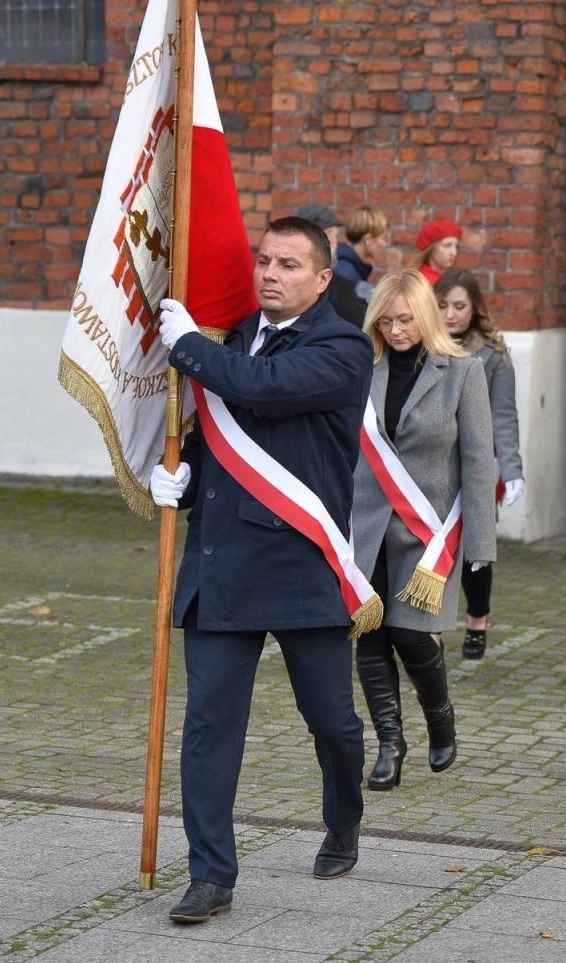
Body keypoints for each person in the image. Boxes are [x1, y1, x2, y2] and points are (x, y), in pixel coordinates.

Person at [153, 216, 376, 924]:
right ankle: (210, 874)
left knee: (332, 721)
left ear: (323, 277)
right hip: (222, 563)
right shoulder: (230, 340)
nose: (270, 274)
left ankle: (343, 817)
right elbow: (217, 438)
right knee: (209, 727)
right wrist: (181, 478)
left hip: (300, 564)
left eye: (288, 264)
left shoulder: (342, 346)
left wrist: (187, 344)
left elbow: (265, 390)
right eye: (264, 260)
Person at [351, 268, 496, 790]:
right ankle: (389, 744)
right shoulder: (361, 370)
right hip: (366, 526)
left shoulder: (463, 372)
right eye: (386, 321)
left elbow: (478, 462)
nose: (395, 331)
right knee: (370, 635)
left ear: (427, 317)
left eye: (406, 320)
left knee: (411, 634)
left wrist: (481, 544)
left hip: (428, 531)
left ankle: (439, 716)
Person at [435, 266, 523, 658]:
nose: (450, 314)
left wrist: (513, 469)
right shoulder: (420, 345)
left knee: (475, 550)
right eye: (442, 306)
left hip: (475, 465)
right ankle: (432, 629)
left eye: (459, 306)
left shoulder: (492, 354)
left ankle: (477, 620)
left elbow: (504, 417)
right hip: (432, 464)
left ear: (474, 308)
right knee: (432, 548)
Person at [298, 203, 368, 328]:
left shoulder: (280, 282)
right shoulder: (342, 289)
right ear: (327, 236)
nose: (337, 244)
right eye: (335, 236)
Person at [336, 205, 389, 301]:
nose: (385, 244)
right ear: (368, 239)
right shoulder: (346, 273)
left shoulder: (352, 268)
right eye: (383, 238)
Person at [411, 219, 462, 286]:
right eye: (447, 245)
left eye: (456, 246)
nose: (454, 253)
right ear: (431, 249)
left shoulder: (458, 277)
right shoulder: (419, 282)